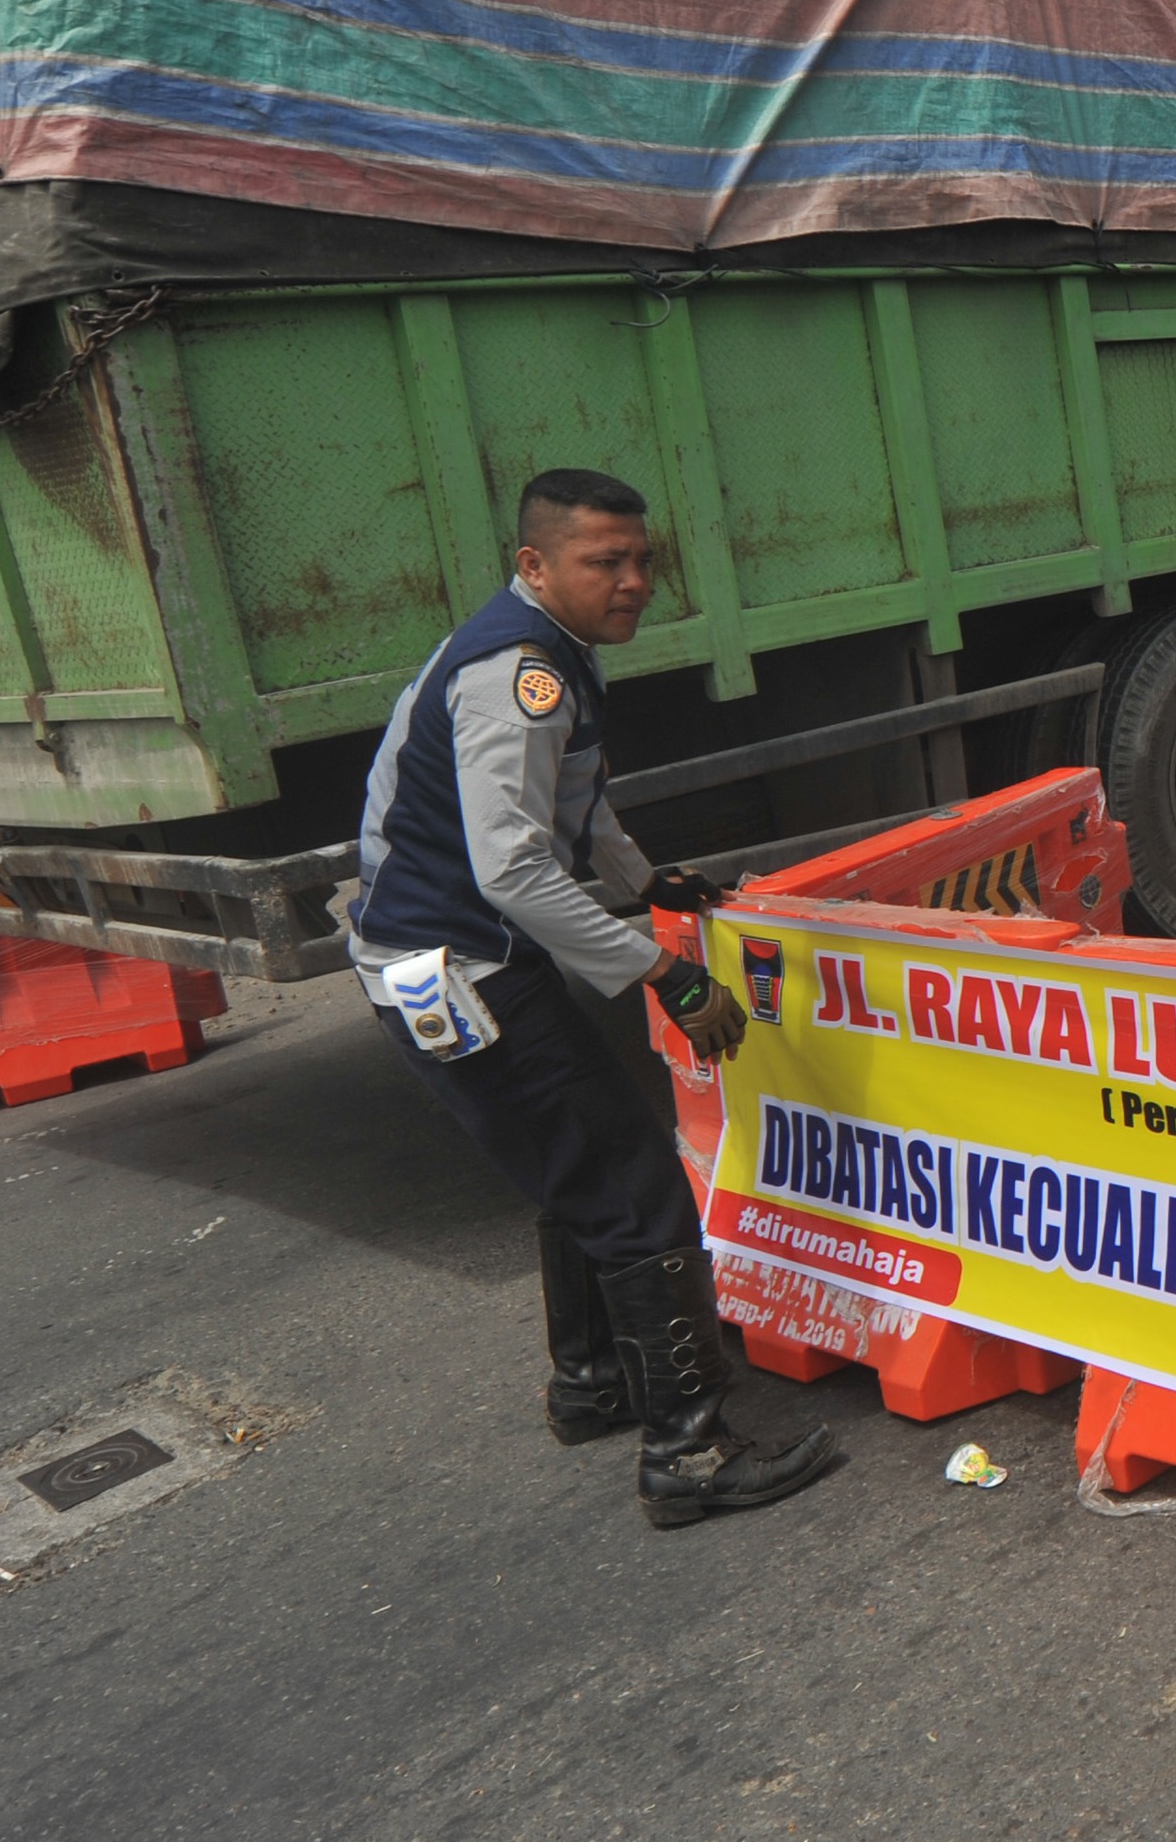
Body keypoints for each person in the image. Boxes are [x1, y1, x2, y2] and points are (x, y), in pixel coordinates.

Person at [351, 466, 842, 1530]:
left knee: (577, 1165)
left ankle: (594, 1384)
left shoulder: (537, 647)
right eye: (604, 561)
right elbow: (512, 869)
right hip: (464, 967)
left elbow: (575, 800)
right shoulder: (517, 674)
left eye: (641, 561)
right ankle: (688, 1452)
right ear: (535, 564)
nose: (633, 582)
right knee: (636, 1188)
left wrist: (643, 881)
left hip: (437, 958)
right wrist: (665, 971)